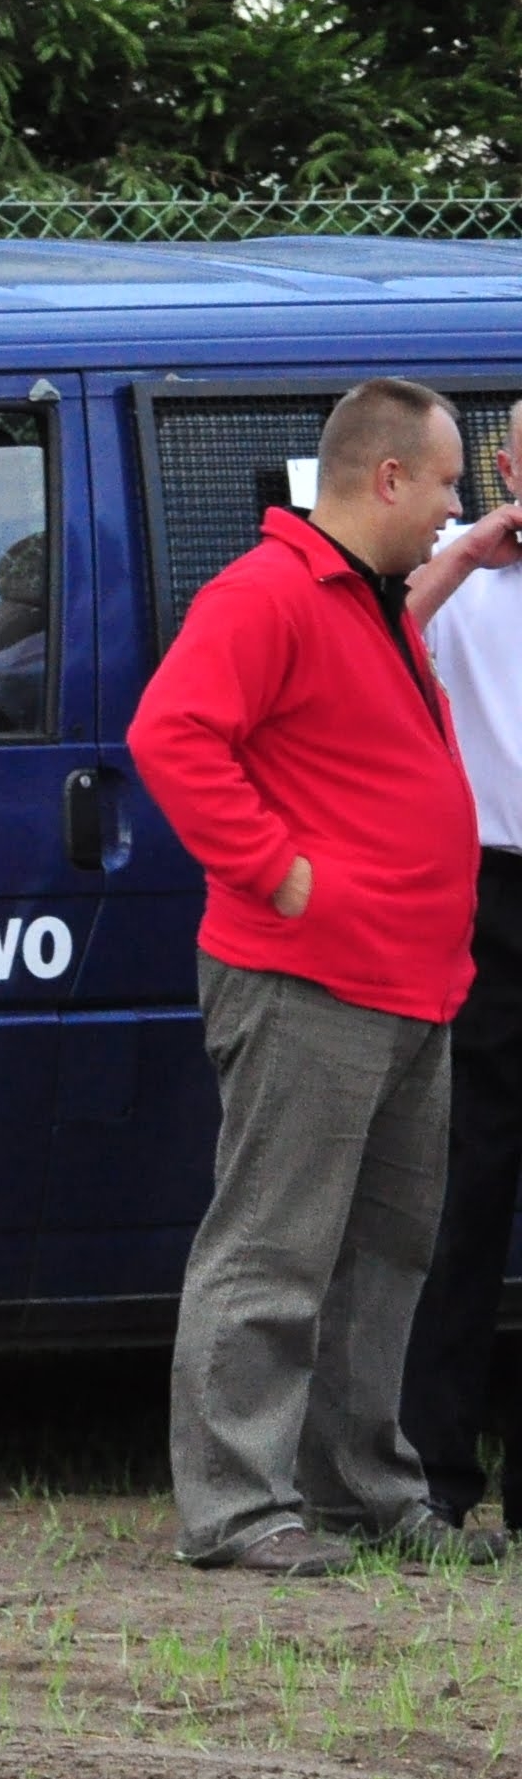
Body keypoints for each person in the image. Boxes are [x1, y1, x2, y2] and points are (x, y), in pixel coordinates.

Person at [133, 378, 498, 1572]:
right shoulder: (267, 593)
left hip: (404, 982)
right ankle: (237, 1506)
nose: (452, 508)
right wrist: (276, 872)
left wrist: (466, 555)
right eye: (444, 485)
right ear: (386, 479)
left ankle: (360, 1487)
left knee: (385, 1249)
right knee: (274, 1244)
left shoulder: (363, 595)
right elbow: (169, 733)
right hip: (310, 978)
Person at [399, 440, 522, 1541]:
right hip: (486, 890)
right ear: (502, 464)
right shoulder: (449, 567)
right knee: (461, 1185)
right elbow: (370, 627)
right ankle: (433, 1471)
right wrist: (470, 551)